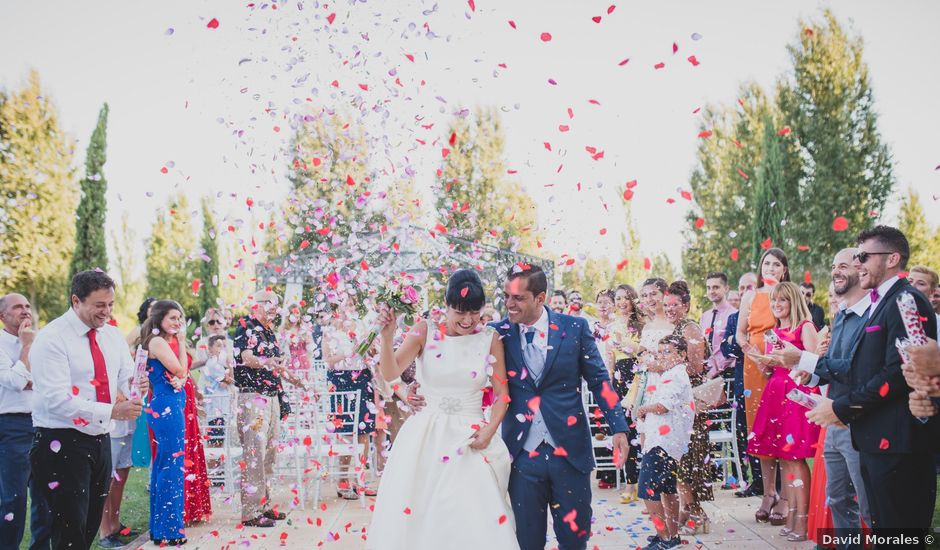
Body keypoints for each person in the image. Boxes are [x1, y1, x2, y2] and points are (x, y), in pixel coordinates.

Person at [778, 226, 938, 538]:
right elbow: (860, 367)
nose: (858, 263)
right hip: (876, 438)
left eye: (864, 256)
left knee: (898, 536)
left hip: (899, 444)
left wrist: (841, 408)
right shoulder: (883, 301)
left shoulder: (906, 300)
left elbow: (897, 375)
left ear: (892, 258)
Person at [367, 269, 517, 549]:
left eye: (474, 312)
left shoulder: (490, 338)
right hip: (425, 437)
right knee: (419, 512)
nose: (468, 320)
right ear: (446, 306)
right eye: (460, 311)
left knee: (472, 514)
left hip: (470, 437)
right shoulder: (425, 331)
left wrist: (489, 429)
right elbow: (391, 372)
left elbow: (501, 394)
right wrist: (387, 339)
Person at [494, 264, 629, 550]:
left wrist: (619, 427)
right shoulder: (497, 334)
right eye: (506, 296)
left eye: (518, 297)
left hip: (570, 454)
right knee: (526, 541)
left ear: (540, 298)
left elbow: (599, 380)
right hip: (521, 456)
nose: (509, 303)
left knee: (574, 540)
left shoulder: (574, 328)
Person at [29, 270, 147, 550]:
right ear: (76, 301)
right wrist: (112, 411)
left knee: (89, 527)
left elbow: (125, 375)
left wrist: (137, 382)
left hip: (99, 441)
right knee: (68, 531)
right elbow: (57, 399)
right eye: (99, 305)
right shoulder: (52, 338)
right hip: (61, 443)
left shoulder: (112, 336)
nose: (106, 312)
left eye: (110, 304)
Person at [746, 282, 820, 541]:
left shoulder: (805, 327)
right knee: (784, 458)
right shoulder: (774, 332)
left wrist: (791, 360)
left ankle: (803, 519)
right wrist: (761, 360)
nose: (777, 305)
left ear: (794, 302)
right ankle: (792, 514)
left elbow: (814, 364)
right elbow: (772, 368)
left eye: (782, 300)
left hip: (797, 394)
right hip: (776, 392)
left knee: (796, 458)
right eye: (774, 301)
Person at [736, 248, 790, 523]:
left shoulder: (787, 295)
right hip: (753, 369)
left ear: (784, 269)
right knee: (761, 429)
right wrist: (757, 360)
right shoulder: (750, 295)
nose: (770, 268)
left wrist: (774, 360)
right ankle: (768, 493)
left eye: (776, 264)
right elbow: (740, 334)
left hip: (782, 364)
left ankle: (788, 495)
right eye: (766, 263)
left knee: (783, 428)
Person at [233, 289, 291, 527]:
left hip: (272, 396)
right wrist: (269, 362)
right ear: (257, 304)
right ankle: (251, 512)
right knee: (254, 453)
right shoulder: (245, 327)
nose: (275, 309)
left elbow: (275, 366)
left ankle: (264, 506)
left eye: (276, 305)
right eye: (271, 304)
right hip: (253, 397)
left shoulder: (270, 332)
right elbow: (247, 358)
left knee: (269, 454)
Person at [0, 293, 52, 550]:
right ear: (2, 316)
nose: (25, 311)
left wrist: (30, 379)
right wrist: (27, 347)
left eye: (27, 306)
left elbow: (49, 381)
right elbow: (14, 382)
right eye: (18, 307)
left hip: (43, 422)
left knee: (46, 496)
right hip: (11, 427)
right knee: (14, 499)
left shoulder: (41, 341)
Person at [635, 335, 695, 550]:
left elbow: (663, 406)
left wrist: (644, 409)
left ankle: (665, 538)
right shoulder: (670, 373)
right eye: (660, 352)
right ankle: (672, 534)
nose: (662, 356)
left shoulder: (677, 375)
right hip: (667, 441)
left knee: (647, 489)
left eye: (667, 352)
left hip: (663, 441)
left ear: (681, 355)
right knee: (667, 489)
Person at [663, 281, 713, 535]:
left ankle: (695, 511)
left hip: (689, 402)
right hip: (677, 402)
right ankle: (688, 509)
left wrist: (665, 366)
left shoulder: (690, 327)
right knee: (680, 459)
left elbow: (696, 367)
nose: (669, 309)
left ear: (685, 305)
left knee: (690, 458)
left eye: (674, 305)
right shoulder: (674, 328)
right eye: (666, 305)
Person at [141, 300, 190, 546]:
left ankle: (159, 528)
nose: (178, 322)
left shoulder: (161, 342)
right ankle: (170, 529)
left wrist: (181, 379)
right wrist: (182, 342)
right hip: (166, 407)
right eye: (173, 317)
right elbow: (181, 369)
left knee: (165, 462)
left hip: (170, 402)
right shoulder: (158, 342)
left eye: (180, 318)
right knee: (172, 463)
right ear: (159, 318)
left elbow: (180, 373)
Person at [322, 300, 378, 500]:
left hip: (361, 378)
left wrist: (368, 346)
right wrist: (347, 353)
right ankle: (343, 480)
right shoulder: (329, 332)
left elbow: (370, 353)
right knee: (346, 432)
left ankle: (360, 481)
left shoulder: (362, 327)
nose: (349, 310)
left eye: (352, 305)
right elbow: (328, 360)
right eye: (345, 306)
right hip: (341, 381)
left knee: (363, 432)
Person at [608, 284, 644, 503]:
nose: (622, 302)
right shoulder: (613, 325)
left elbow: (643, 350)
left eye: (626, 298)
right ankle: (630, 482)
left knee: (640, 428)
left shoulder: (642, 324)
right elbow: (611, 354)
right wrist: (610, 375)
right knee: (625, 430)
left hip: (637, 376)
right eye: (618, 298)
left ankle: (643, 480)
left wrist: (624, 342)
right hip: (619, 377)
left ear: (633, 300)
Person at [591, 289, 620, 491]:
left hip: (615, 380)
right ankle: (605, 472)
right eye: (600, 302)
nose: (603, 306)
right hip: (593, 381)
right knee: (598, 427)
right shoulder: (589, 327)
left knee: (615, 425)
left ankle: (620, 470)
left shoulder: (619, 327)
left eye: (607, 302)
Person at [127, 298, 156, 470]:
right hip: (141, 378)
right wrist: (135, 360)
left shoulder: (159, 333)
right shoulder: (139, 330)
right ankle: (140, 458)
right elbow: (124, 347)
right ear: (145, 310)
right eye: (151, 308)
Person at [700, 272, 736, 379]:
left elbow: (733, 349)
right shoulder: (704, 317)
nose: (711, 291)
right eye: (709, 288)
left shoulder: (734, 314)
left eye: (716, 287)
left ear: (726, 288)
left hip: (727, 374)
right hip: (706, 373)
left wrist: (715, 371)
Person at [908, 265, 940, 337]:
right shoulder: (891, 311)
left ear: (932, 291)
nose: (912, 286)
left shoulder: (937, 322)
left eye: (921, 283)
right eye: (910, 281)